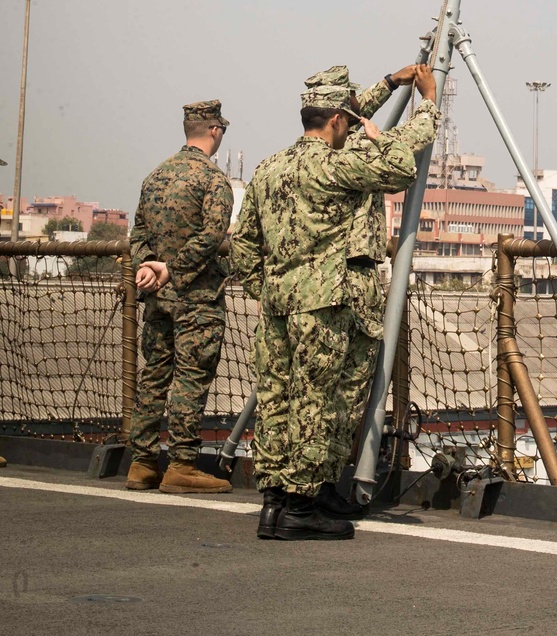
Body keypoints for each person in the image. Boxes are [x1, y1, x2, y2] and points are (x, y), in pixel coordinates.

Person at [232, 61, 438, 542]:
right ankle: (301, 509)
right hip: (330, 305)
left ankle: (279, 501)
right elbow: (400, 165)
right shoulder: (339, 164)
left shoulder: (269, 168)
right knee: (320, 404)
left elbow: (242, 246)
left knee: (278, 400)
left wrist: (389, 84)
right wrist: (426, 102)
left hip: (279, 306)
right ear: (339, 122)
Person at [126, 99, 235, 494]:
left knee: (154, 375)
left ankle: (141, 463)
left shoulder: (155, 176)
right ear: (215, 131)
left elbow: (137, 232)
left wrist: (147, 265)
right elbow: (212, 237)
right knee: (191, 378)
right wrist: (173, 270)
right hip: (197, 299)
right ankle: (182, 465)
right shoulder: (212, 180)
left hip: (156, 298)